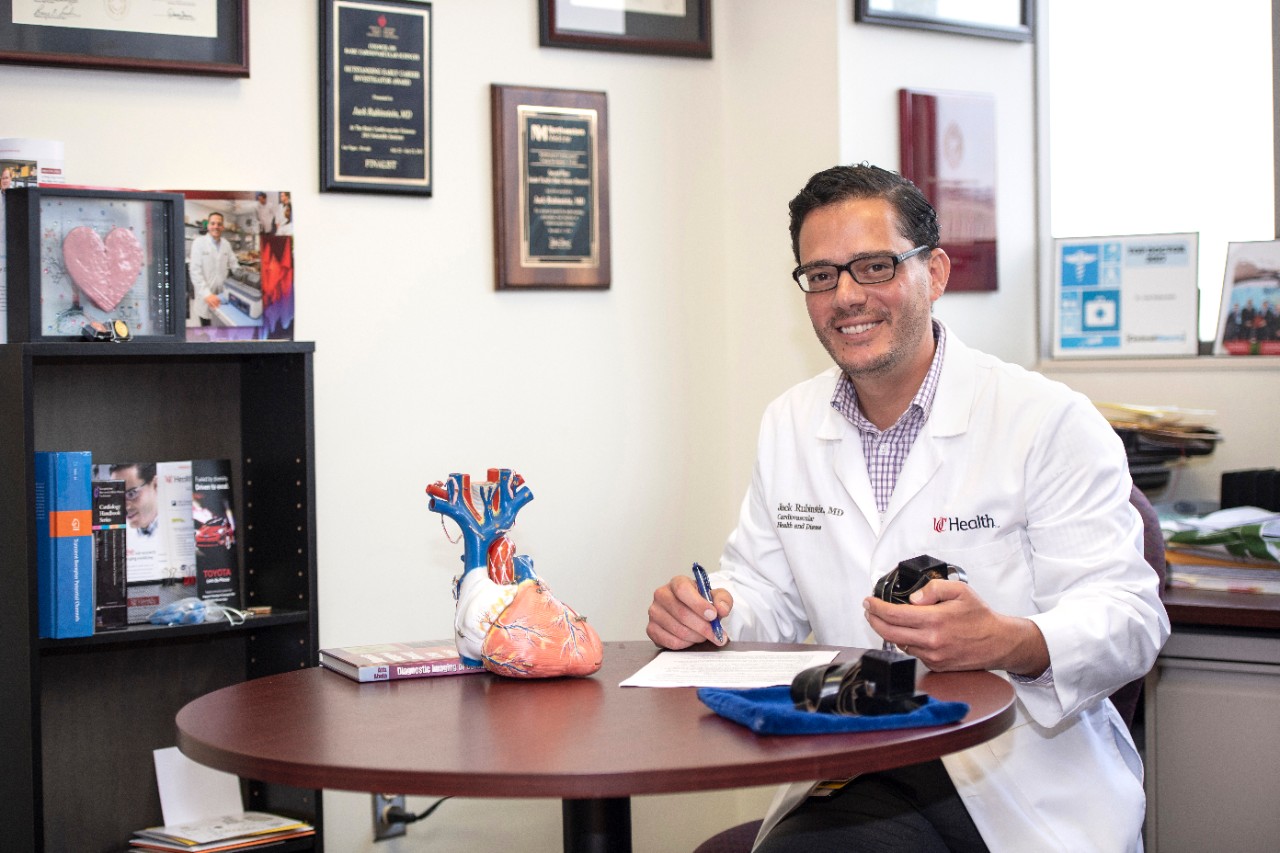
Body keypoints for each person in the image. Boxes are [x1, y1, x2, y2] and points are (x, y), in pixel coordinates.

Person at [646, 164, 1168, 852]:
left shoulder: (1047, 420)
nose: (846, 296)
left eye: (874, 266)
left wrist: (1009, 640)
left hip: (1016, 773)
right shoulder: (790, 422)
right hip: (855, 757)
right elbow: (765, 595)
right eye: (822, 275)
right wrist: (712, 613)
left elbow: (1131, 619)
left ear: (936, 273)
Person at [188, 211, 240, 326]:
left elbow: (234, 264)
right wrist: (207, 294)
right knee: (207, 326)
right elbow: (195, 272)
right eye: (213, 223)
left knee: (221, 324)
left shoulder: (226, 244)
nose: (216, 226)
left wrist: (243, 277)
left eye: (219, 224)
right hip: (205, 296)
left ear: (223, 227)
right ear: (208, 225)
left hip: (221, 294)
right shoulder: (199, 243)